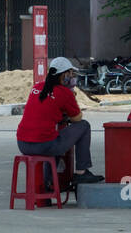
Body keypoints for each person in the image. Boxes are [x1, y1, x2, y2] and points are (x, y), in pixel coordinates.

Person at [16, 57, 103, 185]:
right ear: (64, 75)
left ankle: (47, 183)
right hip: (43, 145)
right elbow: (77, 118)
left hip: (22, 143)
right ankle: (81, 172)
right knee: (84, 126)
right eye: (71, 73)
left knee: (53, 138)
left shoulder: (37, 87)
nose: (72, 76)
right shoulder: (64, 93)